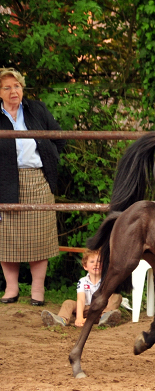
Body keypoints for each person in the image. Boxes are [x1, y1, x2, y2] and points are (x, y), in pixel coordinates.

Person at [0, 67, 65, 307]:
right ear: (0, 92)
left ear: (22, 88)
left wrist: (49, 158)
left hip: (38, 179)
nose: (13, 91)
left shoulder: (36, 109)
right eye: (6, 87)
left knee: (40, 237)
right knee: (6, 237)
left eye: (16, 86)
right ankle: (11, 288)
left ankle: (37, 290)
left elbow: (60, 137)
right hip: (4, 180)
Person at [40, 249, 122, 327]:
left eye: (99, 261)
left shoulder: (106, 280)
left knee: (116, 296)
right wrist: (79, 317)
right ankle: (61, 320)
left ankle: (105, 318)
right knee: (68, 303)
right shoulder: (82, 281)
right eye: (92, 261)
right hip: (86, 310)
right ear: (85, 266)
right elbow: (81, 300)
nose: (96, 264)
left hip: (101, 310)